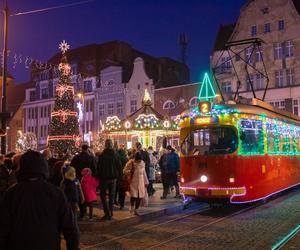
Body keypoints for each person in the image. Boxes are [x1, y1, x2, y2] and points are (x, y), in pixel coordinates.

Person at [0, 150, 79, 250]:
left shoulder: (12, 193)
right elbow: (70, 227)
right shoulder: (55, 193)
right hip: (49, 244)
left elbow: (3, 227)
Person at [96, 139, 120, 220]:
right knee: (111, 196)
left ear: (105, 145)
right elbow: (119, 166)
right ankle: (111, 211)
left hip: (104, 178)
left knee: (103, 196)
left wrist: (98, 177)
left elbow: (99, 167)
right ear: (111, 145)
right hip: (113, 178)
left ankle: (107, 213)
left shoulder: (102, 155)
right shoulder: (115, 155)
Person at [71, 144, 96, 218]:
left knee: (80, 194)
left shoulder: (76, 157)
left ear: (81, 149)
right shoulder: (91, 158)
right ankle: (88, 212)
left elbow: (72, 167)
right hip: (88, 179)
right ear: (87, 149)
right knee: (88, 194)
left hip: (78, 178)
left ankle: (82, 211)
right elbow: (94, 169)